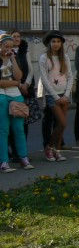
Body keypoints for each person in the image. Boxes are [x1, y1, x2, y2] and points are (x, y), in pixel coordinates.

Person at [0, 34, 34, 172]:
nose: (9, 49)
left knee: (19, 129)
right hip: (1, 96)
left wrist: (13, 58)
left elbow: (19, 76)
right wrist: (16, 83)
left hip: (16, 96)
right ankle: (4, 162)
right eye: (6, 46)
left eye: (11, 46)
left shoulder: (14, 57)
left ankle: (23, 158)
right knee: (3, 131)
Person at [39, 30, 72, 162]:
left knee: (61, 124)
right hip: (52, 95)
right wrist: (55, 96)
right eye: (53, 41)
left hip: (64, 94)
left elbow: (70, 76)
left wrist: (67, 94)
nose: (56, 44)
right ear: (49, 43)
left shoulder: (65, 57)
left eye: (58, 41)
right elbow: (45, 79)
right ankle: (49, 147)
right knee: (62, 123)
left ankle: (57, 150)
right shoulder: (44, 58)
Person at [8, 29, 34, 162]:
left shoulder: (25, 51)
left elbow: (30, 70)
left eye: (18, 36)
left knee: (24, 122)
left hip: (26, 89)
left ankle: (22, 151)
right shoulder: (7, 52)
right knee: (13, 121)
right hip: (14, 89)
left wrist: (27, 84)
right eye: (14, 37)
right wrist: (19, 85)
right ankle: (14, 152)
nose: (17, 39)